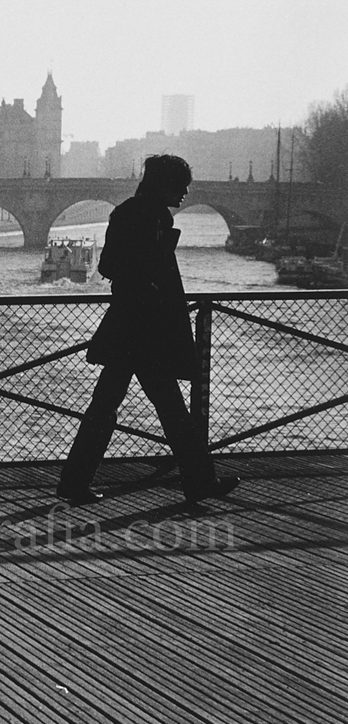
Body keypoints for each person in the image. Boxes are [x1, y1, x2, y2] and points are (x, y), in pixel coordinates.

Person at [56, 154, 240, 506]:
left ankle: (74, 481)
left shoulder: (135, 212)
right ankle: (199, 482)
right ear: (163, 185)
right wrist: (148, 285)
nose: (186, 192)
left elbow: (109, 264)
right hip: (144, 330)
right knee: (171, 411)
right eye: (181, 185)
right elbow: (120, 265)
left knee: (108, 408)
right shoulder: (147, 216)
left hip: (130, 328)